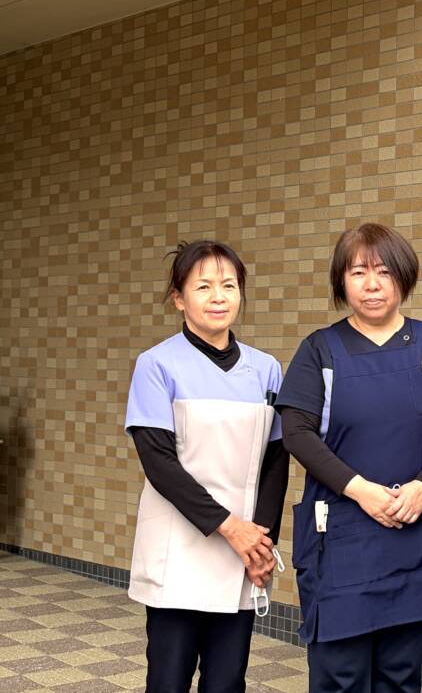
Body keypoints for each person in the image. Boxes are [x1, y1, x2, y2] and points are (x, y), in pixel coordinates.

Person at [274, 223, 422, 693]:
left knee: (400, 674)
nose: (372, 284)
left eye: (383, 271)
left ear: (404, 277)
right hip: (343, 537)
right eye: (358, 272)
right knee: (341, 675)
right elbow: (296, 432)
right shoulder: (320, 350)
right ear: (341, 281)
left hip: (413, 530)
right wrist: (360, 490)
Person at [125, 240, 290, 693]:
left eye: (229, 285)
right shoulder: (157, 365)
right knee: (169, 679)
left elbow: (276, 460)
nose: (218, 297)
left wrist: (261, 542)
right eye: (203, 287)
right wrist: (231, 528)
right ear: (179, 298)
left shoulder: (266, 369)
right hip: (179, 548)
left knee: (227, 680)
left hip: (242, 553)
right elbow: (159, 463)